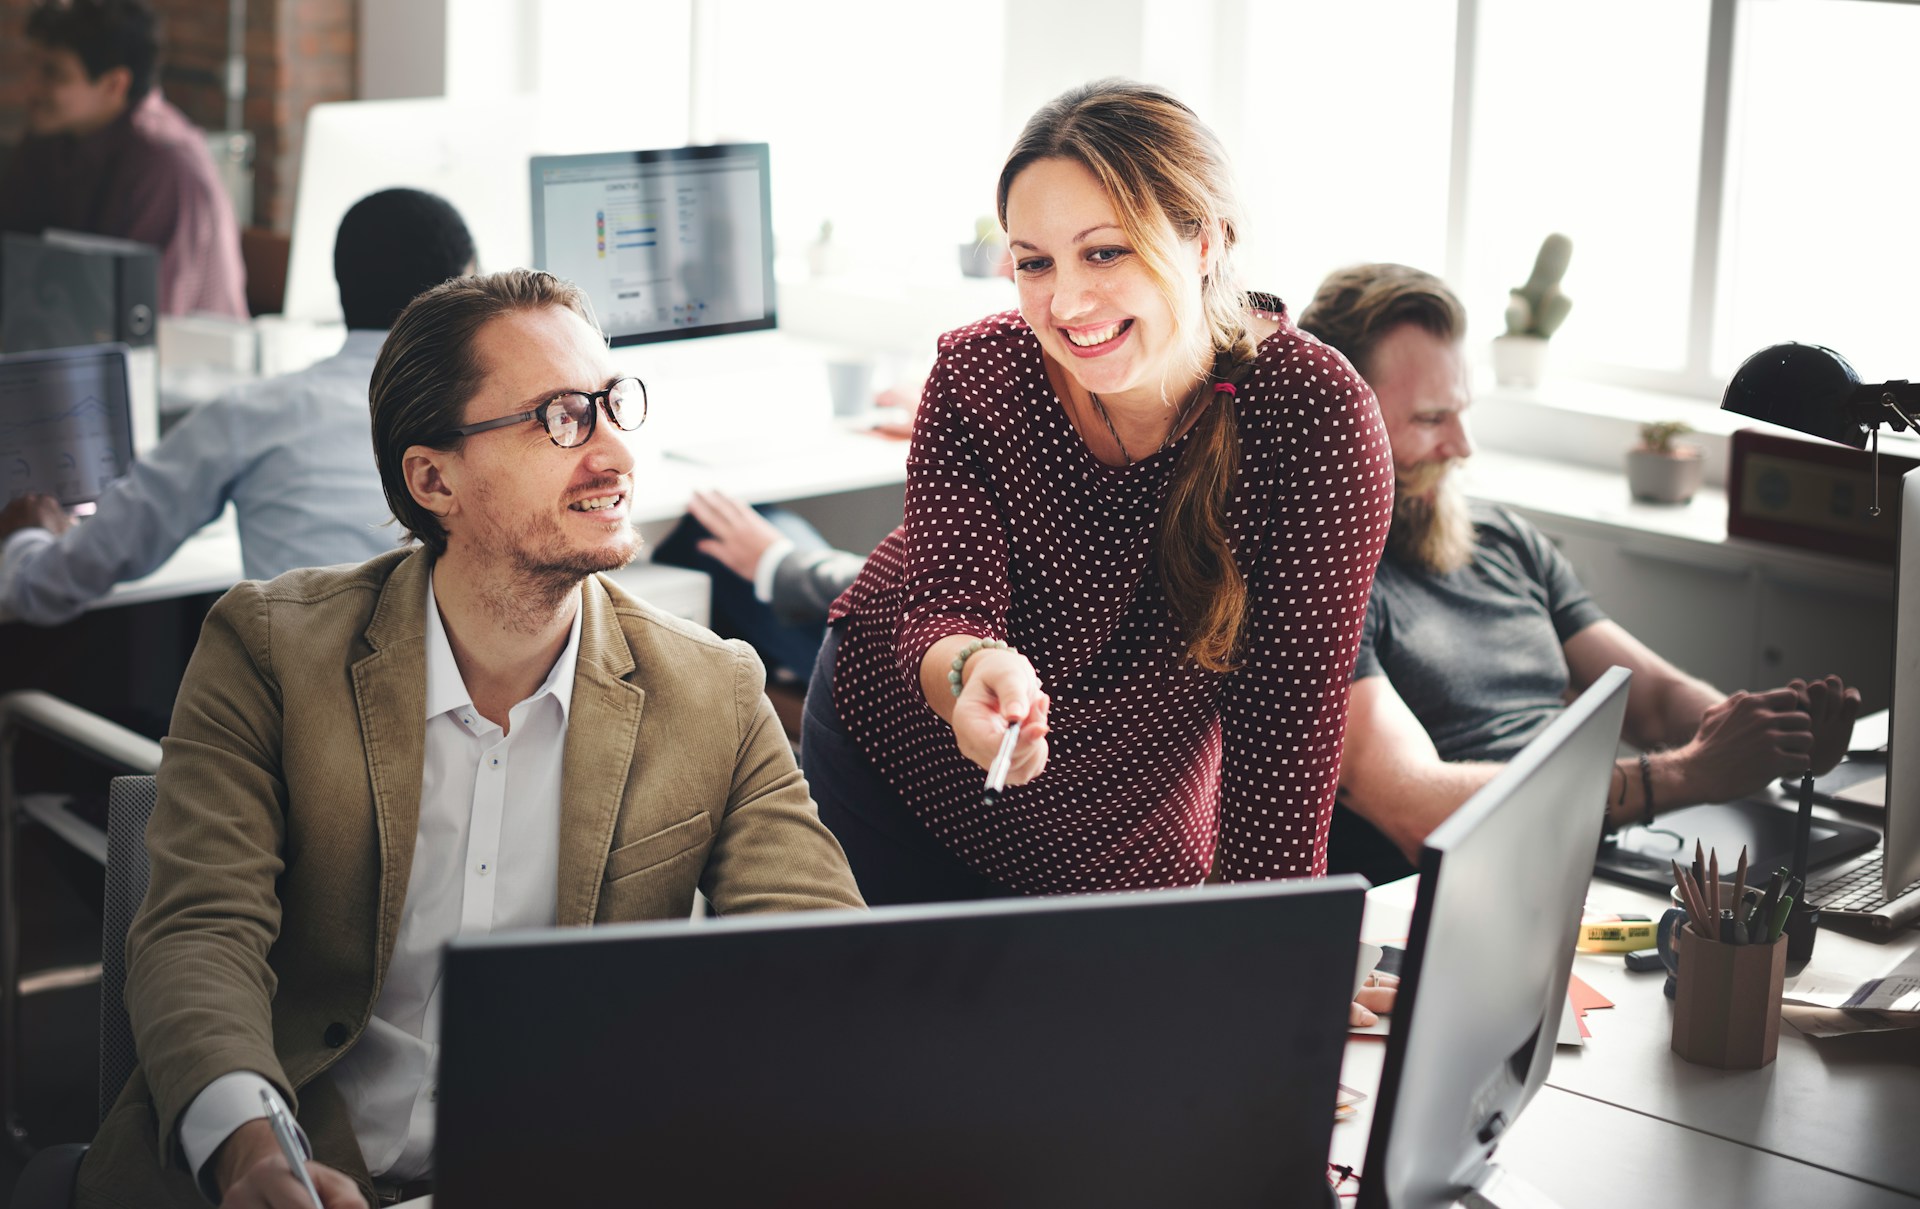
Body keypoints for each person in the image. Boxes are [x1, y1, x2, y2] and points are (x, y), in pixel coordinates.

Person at [74, 269, 864, 1209]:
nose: (612, 450)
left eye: (613, 406)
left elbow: (820, 957)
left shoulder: (713, 688)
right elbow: (200, 933)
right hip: (289, 1164)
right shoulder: (271, 650)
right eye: (561, 417)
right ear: (432, 477)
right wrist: (250, 1149)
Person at [803, 79, 1395, 907]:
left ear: (1206, 241)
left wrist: (1281, 952)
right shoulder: (981, 373)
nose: (1067, 302)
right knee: (892, 1028)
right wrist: (976, 664)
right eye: (1033, 263)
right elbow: (942, 605)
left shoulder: (1311, 413)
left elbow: (1287, 737)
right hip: (904, 765)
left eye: (1105, 251)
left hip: (1128, 833)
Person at [1294, 262, 1859, 885]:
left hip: (1591, 855)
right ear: (1342, 427)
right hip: (1473, 886)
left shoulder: (1504, 540)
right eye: (1430, 420)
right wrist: (1689, 773)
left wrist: (1769, 738)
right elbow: (1418, 808)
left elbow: (1655, 701)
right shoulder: (1322, 588)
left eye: (1461, 412)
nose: (1462, 446)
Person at [0, 188, 474, 625]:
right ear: (461, 293)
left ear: (340, 284)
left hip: (294, 713)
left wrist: (26, 542)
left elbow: (47, 586)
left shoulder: (254, 414)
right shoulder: (493, 422)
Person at [0, 0, 246, 317]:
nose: (30, 86)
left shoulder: (165, 164)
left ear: (115, 84)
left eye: (53, 74)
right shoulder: (51, 137)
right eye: (32, 65)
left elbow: (148, 319)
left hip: (181, 356)